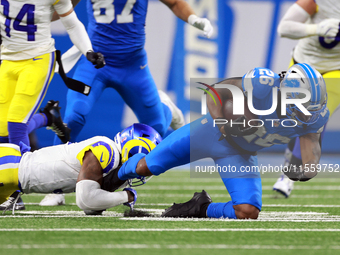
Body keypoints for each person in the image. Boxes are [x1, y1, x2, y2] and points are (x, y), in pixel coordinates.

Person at [115, 63, 329, 219]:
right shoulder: (263, 84)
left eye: (312, 108)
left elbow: (310, 154)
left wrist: (303, 170)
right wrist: (224, 123)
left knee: (247, 211)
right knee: (146, 167)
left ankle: (200, 208)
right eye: (304, 108)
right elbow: (215, 92)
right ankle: (114, 173)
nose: (308, 115)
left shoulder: (314, 117)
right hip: (209, 133)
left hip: (240, 153)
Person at [0, 0, 105, 147]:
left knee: (16, 124)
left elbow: (72, 23)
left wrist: (88, 51)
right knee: (3, 132)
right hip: (8, 59)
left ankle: (20, 169)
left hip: (36, 60)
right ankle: (48, 117)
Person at [0, 123, 161, 214]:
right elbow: (85, 200)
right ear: (135, 150)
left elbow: (92, 208)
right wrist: (126, 196)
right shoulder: (107, 150)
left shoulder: (112, 163)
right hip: (9, 166)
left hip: (12, 182)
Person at [272, 0, 340, 197]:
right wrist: (316, 28)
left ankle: (288, 175)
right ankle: (291, 166)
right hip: (305, 64)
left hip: (336, 70)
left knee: (317, 116)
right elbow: (283, 28)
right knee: (296, 119)